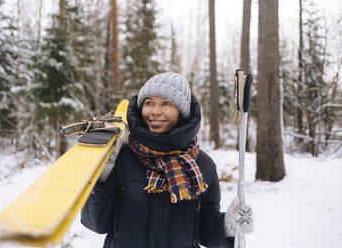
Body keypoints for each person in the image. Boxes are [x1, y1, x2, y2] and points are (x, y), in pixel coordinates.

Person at [81, 72, 253, 248]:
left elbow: (205, 230)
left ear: (182, 112)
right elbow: (97, 224)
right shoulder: (120, 157)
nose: (155, 111)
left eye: (166, 103)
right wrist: (100, 181)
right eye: (149, 103)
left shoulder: (203, 166)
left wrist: (227, 226)